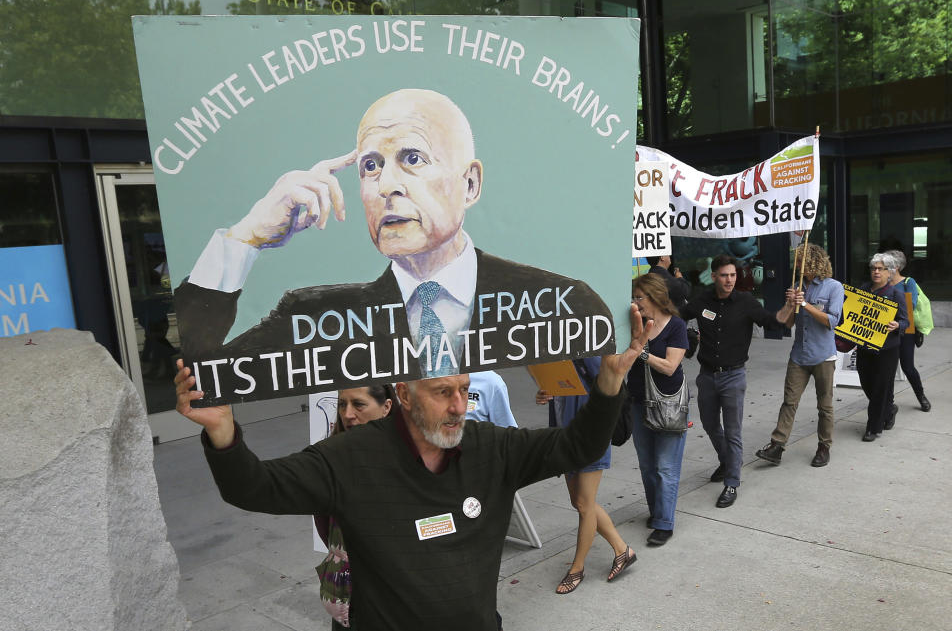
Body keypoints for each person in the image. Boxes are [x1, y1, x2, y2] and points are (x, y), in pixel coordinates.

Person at [173, 303, 649, 630]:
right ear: (403, 394)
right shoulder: (350, 456)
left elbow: (578, 445)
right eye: (443, 392)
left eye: (463, 389)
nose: (460, 405)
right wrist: (223, 433)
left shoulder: (492, 448)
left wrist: (609, 382)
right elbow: (256, 488)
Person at [175, 88, 612, 396]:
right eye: (369, 165)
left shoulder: (563, 301)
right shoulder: (316, 317)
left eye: (412, 158)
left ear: (471, 183)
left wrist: (611, 388)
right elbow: (206, 376)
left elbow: (587, 437)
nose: (385, 185)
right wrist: (246, 236)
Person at [680, 254, 793, 508]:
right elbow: (677, 316)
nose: (729, 280)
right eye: (724, 275)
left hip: (733, 376)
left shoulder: (746, 301)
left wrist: (788, 306)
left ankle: (732, 482)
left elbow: (772, 322)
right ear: (714, 276)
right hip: (707, 376)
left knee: (733, 431)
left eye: (733, 275)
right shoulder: (702, 300)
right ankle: (729, 461)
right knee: (709, 424)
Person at [535, 357, 636, 594]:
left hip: (592, 432)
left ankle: (577, 568)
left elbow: (608, 382)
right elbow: (558, 389)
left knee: (583, 504)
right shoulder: (557, 349)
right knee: (579, 501)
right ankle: (623, 551)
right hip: (565, 433)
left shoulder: (589, 345)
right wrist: (543, 394)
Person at [755, 244, 845, 468]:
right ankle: (777, 445)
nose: (796, 265)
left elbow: (832, 321)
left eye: (799, 261)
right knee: (789, 402)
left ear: (812, 262)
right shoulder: (796, 286)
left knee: (825, 406)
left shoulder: (833, 287)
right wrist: (789, 304)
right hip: (799, 355)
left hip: (823, 355)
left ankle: (824, 447)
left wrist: (804, 303)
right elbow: (788, 322)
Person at [314, 385, 396, 629]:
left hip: (399, 589)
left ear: (387, 407)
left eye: (358, 404)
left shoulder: (410, 454)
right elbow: (323, 523)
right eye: (342, 404)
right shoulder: (329, 457)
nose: (348, 414)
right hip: (352, 594)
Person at [627, 274, 688, 546]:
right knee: (647, 465)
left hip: (668, 403)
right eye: (634, 297)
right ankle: (656, 513)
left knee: (666, 467)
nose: (635, 303)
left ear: (654, 296)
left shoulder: (676, 326)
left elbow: (670, 366)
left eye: (639, 297)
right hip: (638, 401)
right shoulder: (634, 324)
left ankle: (665, 523)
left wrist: (639, 351)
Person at [857, 252, 909, 441]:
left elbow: (906, 321)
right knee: (867, 384)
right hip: (864, 347)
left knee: (879, 388)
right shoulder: (863, 289)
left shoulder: (896, 293)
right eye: (874, 268)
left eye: (881, 269)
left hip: (887, 349)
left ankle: (873, 428)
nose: (876, 272)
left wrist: (898, 325)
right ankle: (889, 409)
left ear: (890, 272)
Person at [884, 249, 932, 412]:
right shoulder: (881, 283)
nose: (881, 268)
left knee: (907, 366)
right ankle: (888, 404)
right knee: (887, 369)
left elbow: (909, 306)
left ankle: (921, 396)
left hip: (905, 331)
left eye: (886, 265)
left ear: (896, 267)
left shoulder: (908, 282)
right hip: (885, 330)